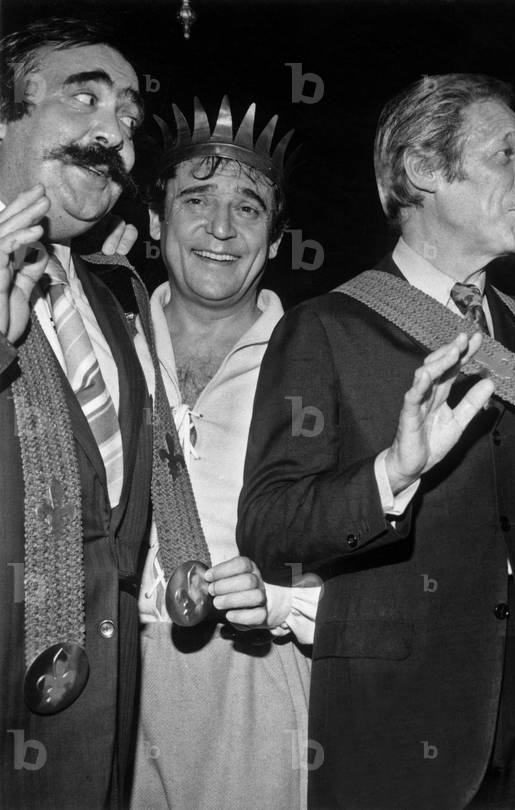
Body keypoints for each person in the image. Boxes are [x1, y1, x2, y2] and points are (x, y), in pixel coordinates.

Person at [238, 74, 515, 810]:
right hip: (396, 728)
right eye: (504, 154)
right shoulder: (326, 327)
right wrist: (391, 472)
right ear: (423, 169)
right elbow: (268, 525)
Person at [128, 96, 319, 809]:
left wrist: (289, 599)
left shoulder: (320, 358)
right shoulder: (99, 339)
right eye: (196, 200)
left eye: (248, 208)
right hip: (110, 665)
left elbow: (374, 548)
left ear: (274, 239)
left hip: (255, 671)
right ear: (155, 220)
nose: (220, 228)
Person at [0, 17, 150, 807]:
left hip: (93, 716)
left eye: (127, 118)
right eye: (82, 99)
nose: (112, 134)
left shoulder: (108, 292)